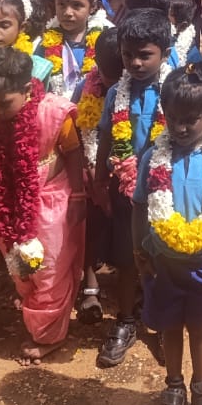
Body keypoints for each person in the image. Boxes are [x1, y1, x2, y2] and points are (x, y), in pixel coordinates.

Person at [132, 65, 202, 405]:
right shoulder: (153, 158)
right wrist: (139, 252)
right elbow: (139, 206)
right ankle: (173, 386)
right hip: (164, 261)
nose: (180, 127)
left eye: (190, 120)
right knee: (171, 327)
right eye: (174, 118)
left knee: (200, 327)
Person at [0, 45, 89, 366]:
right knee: (19, 264)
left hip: (51, 203)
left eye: (5, 103)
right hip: (9, 202)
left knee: (49, 267)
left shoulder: (53, 113)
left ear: (27, 89)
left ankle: (49, 336)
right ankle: (35, 316)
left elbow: (74, 154)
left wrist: (79, 196)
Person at [94, 8, 174, 367]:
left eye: (145, 55)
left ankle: (164, 324)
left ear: (164, 52)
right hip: (126, 190)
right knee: (127, 258)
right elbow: (107, 137)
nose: (136, 63)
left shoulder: (175, 90)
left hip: (167, 192)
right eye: (128, 55)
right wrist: (100, 180)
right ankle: (126, 320)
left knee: (165, 258)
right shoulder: (116, 93)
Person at [76, 27, 123, 325]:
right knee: (91, 225)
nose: (114, 82)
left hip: (129, 170)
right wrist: (94, 175)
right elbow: (79, 128)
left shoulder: (141, 88)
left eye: (119, 75)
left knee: (126, 229)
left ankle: (130, 282)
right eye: (108, 75)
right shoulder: (87, 87)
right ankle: (90, 283)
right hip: (91, 168)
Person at [38, 0, 113, 100]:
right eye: (61, 4)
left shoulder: (106, 38)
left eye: (76, 5)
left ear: (92, 6)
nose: (67, 12)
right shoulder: (46, 42)